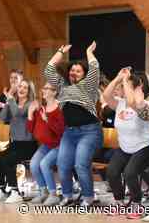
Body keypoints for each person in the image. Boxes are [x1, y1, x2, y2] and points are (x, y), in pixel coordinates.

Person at [44, 42, 103, 206]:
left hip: (89, 132)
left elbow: (94, 67)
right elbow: (48, 69)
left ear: (84, 74)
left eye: (78, 70)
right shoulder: (62, 87)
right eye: (72, 70)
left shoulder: (89, 86)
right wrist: (60, 52)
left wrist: (89, 52)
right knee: (62, 165)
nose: (74, 72)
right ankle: (68, 195)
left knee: (80, 165)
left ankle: (88, 197)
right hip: (69, 133)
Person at [103, 69, 149, 219]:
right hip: (125, 148)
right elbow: (106, 95)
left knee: (130, 173)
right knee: (112, 172)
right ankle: (119, 202)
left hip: (144, 147)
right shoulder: (119, 104)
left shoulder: (142, 103)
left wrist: (126, 80)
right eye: (122, 86)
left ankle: (137, 204)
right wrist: (119, 77)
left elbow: (133, 102)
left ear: (135, 88)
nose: (121, 89)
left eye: (126, 86)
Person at [0, 79, 37, 204]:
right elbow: (3, 117)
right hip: (15, 144)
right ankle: (2, 190)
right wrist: (8, 103)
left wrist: (10, 99)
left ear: (29, 91)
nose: (21, 89)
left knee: (8, 160)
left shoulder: (30, 104)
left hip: (28, 145)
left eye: (25, 87)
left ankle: (15, 192)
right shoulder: (13, 103)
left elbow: (17, 113)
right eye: (20, 86)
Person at [28, 83, 65, 205]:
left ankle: (53, 194)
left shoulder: (60, 108)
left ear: (54, 92)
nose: (43, 90)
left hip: (60, 144)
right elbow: (31, 129)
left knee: (44, 164)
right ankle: (44, 192)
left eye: (46, 88)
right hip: (47, 145)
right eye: (43, 88)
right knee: (33, 164)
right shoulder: (41, 108)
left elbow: (61, 131)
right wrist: (30, 114)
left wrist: (46, 120)